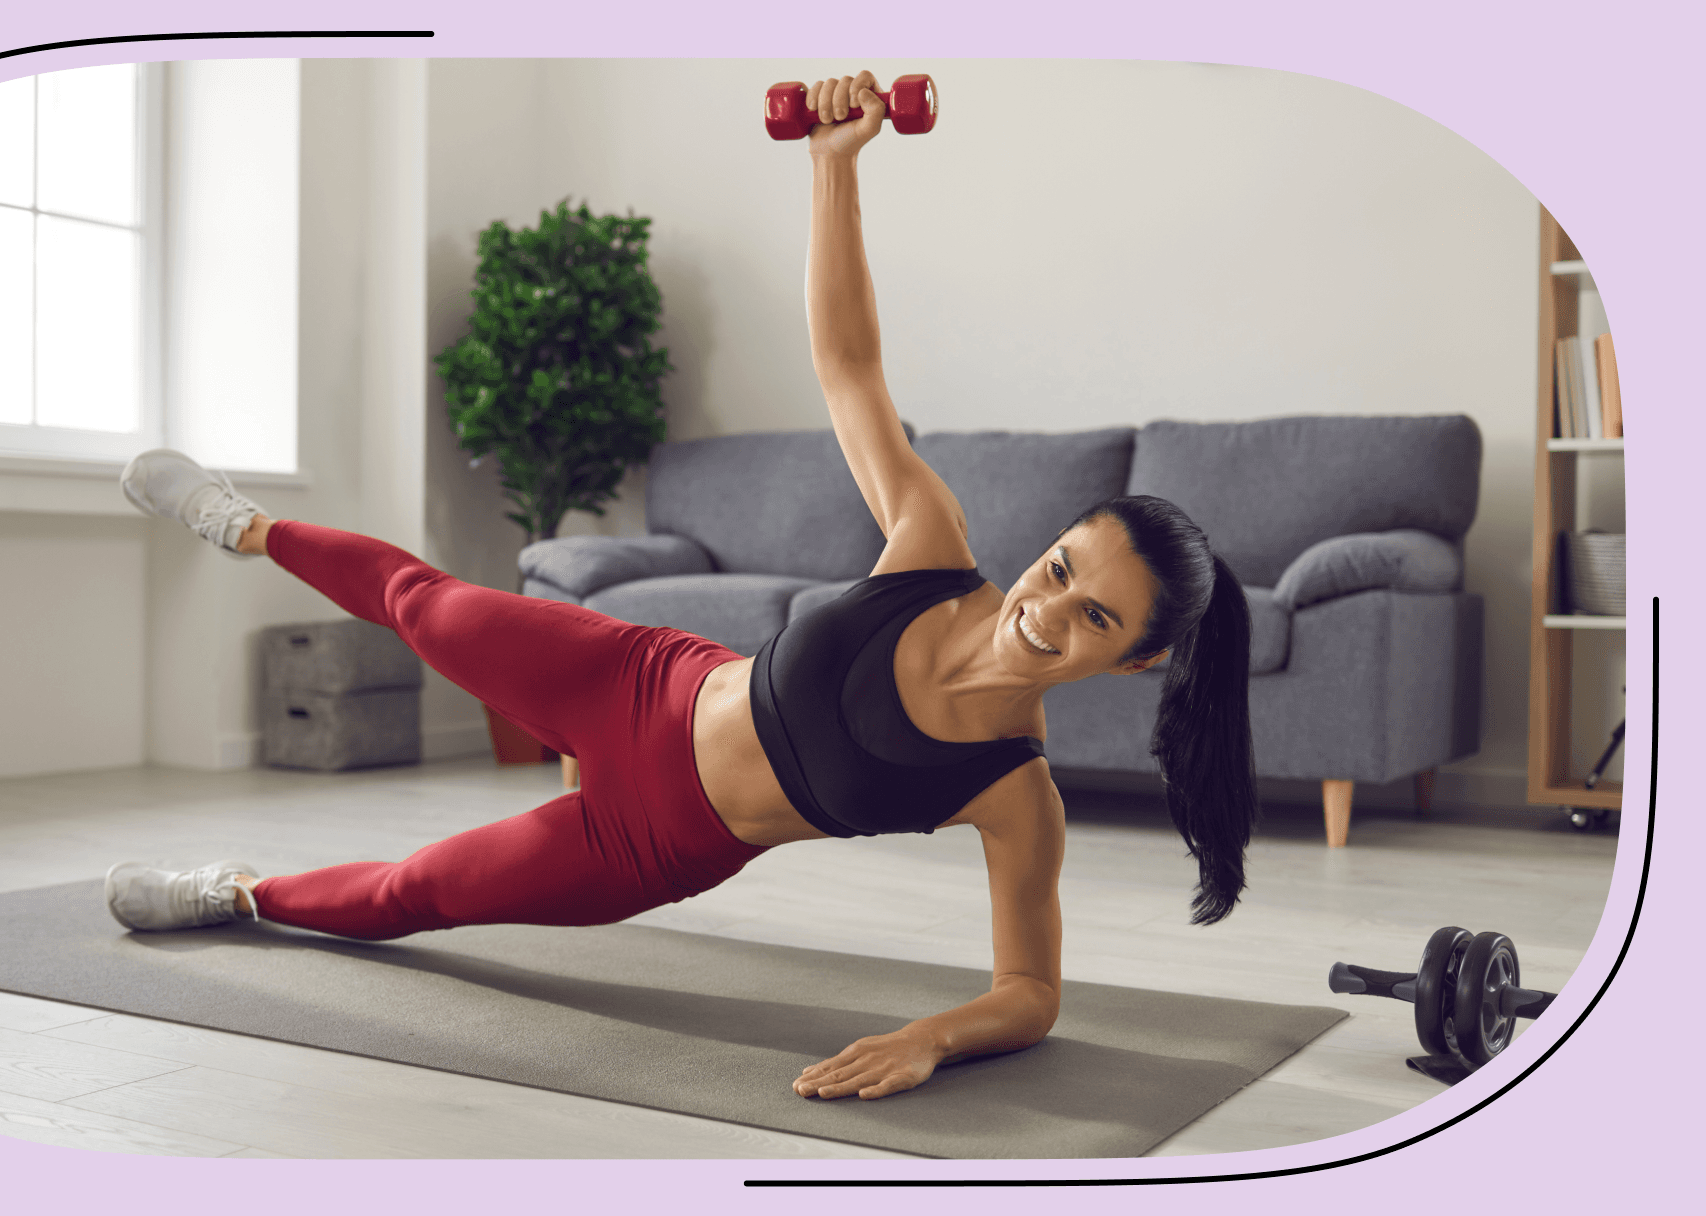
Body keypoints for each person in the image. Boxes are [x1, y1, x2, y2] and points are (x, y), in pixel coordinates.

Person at [104, 71, 1258, 1103]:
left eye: (1095, 617)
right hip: (639, 679)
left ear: (1139, 658)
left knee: (420, 891)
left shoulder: (1014, 794)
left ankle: (237, 895)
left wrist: (933, 1037)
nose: (1045, 610)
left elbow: (1030, 992)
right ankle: (243, 522)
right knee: (421, 602)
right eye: (1060, 568)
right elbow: (849, 365)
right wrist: (833, 165)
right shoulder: (930, 544)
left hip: (648, 840)